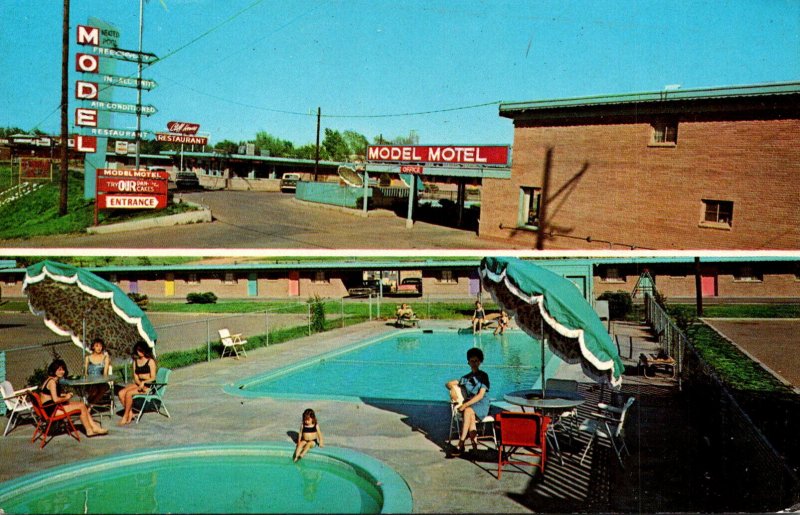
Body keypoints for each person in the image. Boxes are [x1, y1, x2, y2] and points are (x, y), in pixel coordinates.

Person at [40, 359, 108, 436]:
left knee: (81, 404)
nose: (62, 372)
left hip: (48, 408)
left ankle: (94, 427)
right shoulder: (52, 382)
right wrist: (66, 398)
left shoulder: (49, 380)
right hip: (51, 410)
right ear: (54, 370)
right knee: (81, 406)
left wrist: (64, 395)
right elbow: (55, 400)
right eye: (59, 370)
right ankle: (89, 430)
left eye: (63, 369)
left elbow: (50, 395)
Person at [445, 347, 490, 455]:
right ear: (468, 362)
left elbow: (480, 395)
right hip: (470, 406)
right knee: (469, 414)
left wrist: (465, 405)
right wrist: (452, 388)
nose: (474, 363)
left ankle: (461, 443)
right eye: (472, 361)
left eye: (476, 361)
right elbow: (448, 383)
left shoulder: (483, 376)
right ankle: (474, 447)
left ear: (480, 362)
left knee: (468, 411)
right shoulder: (465, 378)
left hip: (481, 403)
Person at [117, 341, 156, 426]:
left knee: (129, 393)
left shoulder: (150, 361)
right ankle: (130, 413)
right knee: (120, 393)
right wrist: (140, 383)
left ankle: (125, 416)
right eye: (138, 350)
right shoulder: (136, 362)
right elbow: (136, 377)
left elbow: (153, 377)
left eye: (141, 350)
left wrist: (144, 383)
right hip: (139, 383)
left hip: (149, 385)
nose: (140, 353)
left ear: (145, 350)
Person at [84, 337, 111, 405]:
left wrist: (103, 379)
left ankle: (89, 407)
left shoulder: (105, 357)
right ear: (93, 347)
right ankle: (87, 405)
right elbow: (85, 373)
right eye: (97, 346)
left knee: (102, 389)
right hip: (90, 382)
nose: (99, 348)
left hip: (100, 381)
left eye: (101, 346)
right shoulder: (88, 358)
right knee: (94, 390)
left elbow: (105, 373)